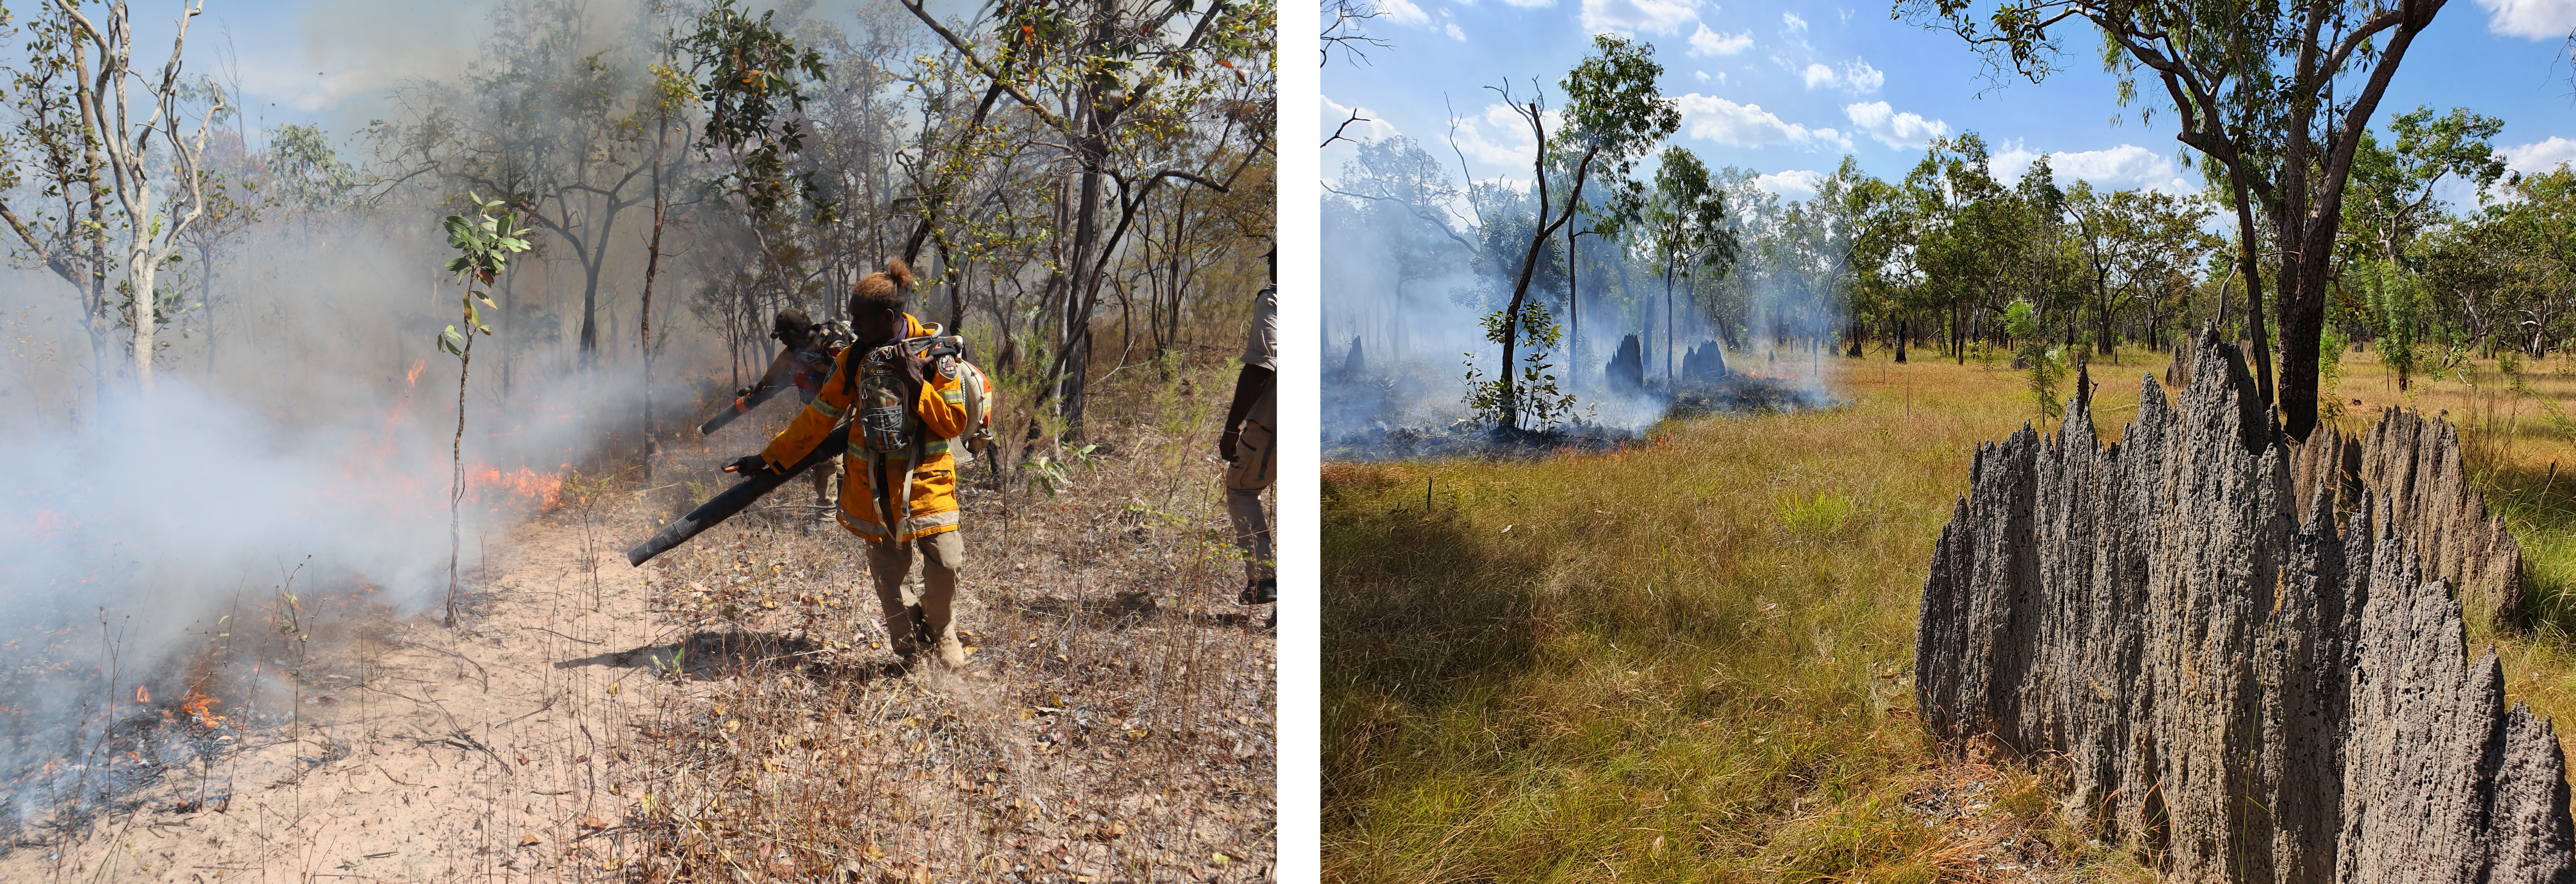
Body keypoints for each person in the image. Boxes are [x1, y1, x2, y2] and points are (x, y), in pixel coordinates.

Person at [727, 261, 976, 668]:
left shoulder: (936, 353)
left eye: (859, 318)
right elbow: (816, 420)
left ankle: (942, 631)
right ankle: (912, 654)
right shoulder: (853, 359)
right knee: (890, 581)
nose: (852, 325)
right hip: (872, 490)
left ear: (888, 318)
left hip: (928, 485)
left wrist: (914, 381)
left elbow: (954, 422)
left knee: (946, 565)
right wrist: (766, 458)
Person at [727, 309, 855, 506]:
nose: (782, 341)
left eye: (783, 336)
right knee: (834, 458)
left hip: (842, 407)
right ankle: (841, 497)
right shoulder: (799, 348)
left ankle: (827, 512)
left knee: (828, 457)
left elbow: (850, 380)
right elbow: (784, 372)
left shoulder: (831, 347)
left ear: (794, 334)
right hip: (822, 408)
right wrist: (760, 387)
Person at [1221, 247, 1277, 610]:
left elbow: (1261, 368)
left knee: (1241, 491)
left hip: (1274, 425)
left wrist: (1230, 428)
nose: (1271, 266)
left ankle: (1264, 582)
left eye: (1274, 259)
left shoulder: (1274, 301)